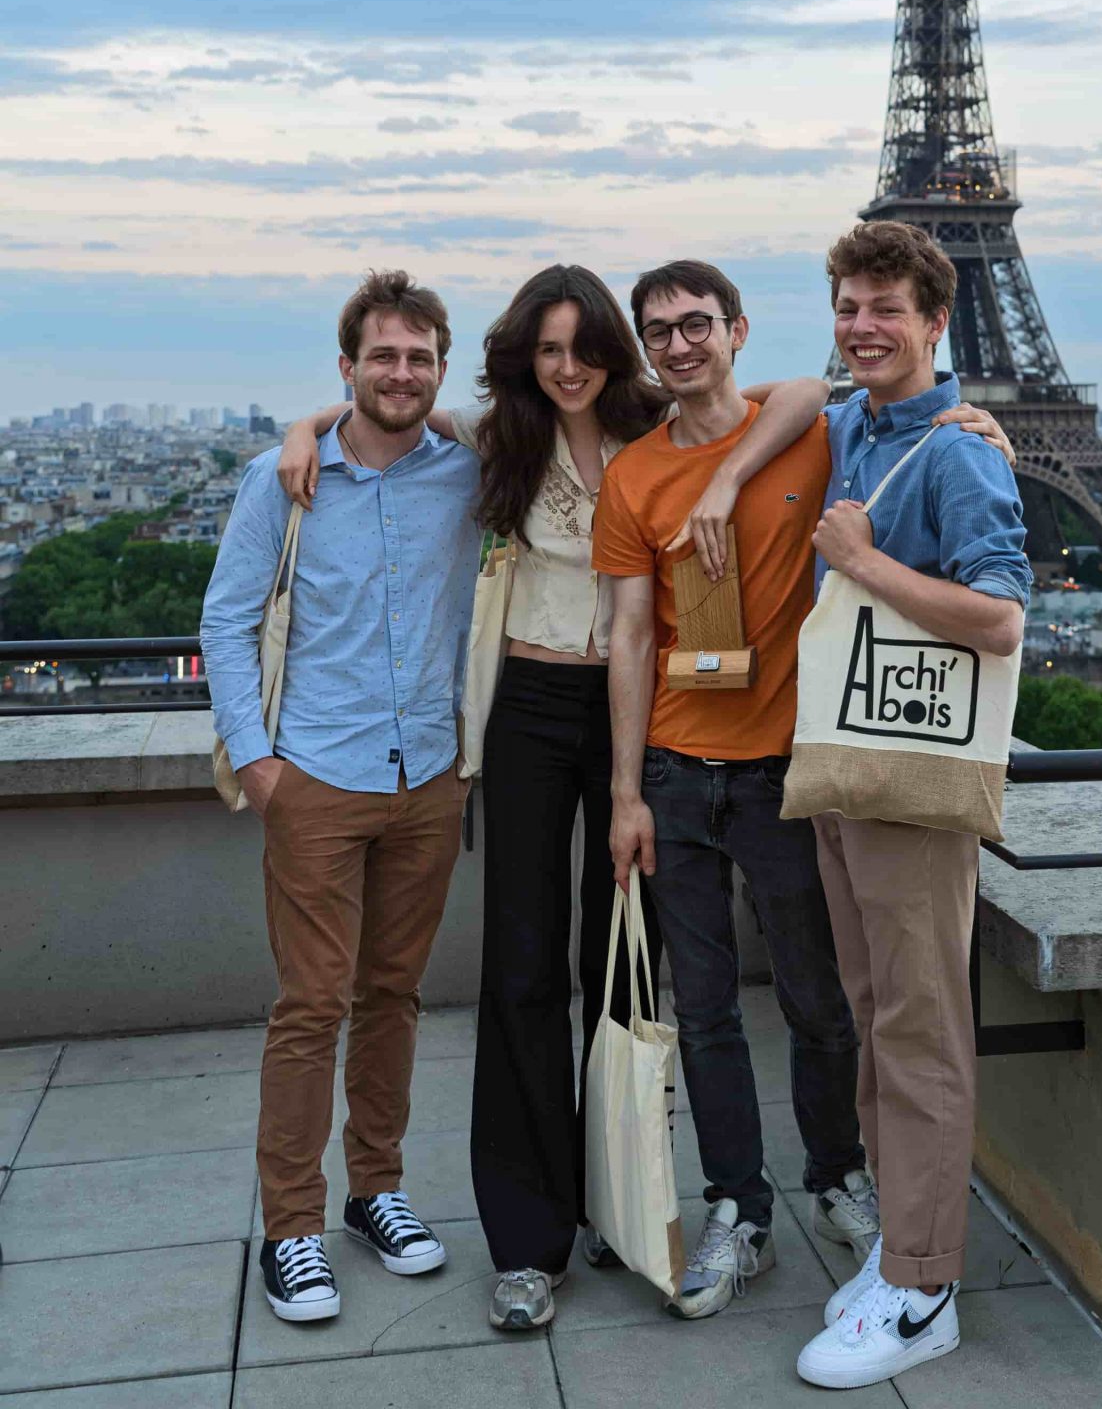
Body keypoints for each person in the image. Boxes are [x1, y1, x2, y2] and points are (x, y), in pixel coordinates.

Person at [276, 263, 832, 1332]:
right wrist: (305, 425)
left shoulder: (661, 428)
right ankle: (528, 1237)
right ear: (523, 356)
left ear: (617, 351)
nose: (566, 366)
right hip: (527, 705)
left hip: (639, 710)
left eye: (584, 345)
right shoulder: (500, 437)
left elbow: (804, 394)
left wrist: (727, 481)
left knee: (618, 963)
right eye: (547, 347)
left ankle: (616, 1200)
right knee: (524, 970)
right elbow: (379, 399)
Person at [594, 259, 1015, 1323]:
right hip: (678, 775)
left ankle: (840, 1176)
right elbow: (631, 635)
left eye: (698, 324)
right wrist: (625, 790)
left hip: (794, 766)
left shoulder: (817, 433)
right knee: (710, 1012)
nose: (679, 344)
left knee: (831, 1006)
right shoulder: (637, 473)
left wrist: (965, 427)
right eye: (659, 331)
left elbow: (848, 405)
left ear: (736, 330)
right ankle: (742, 1205)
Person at [201, 270, 483, 1325]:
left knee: (393, 998)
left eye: (418, 357)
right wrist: (257, 760)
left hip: (428, 775)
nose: (400, 372)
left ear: (439, 370)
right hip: (315, 772)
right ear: (347, 365)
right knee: (311, 1006)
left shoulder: (464, 474)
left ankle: (377, 1188)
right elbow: (226, 620)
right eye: (382, 355)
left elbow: (561, 420)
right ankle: (291, 1227)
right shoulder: (279, 480)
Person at [793, 222, 1031, 1391]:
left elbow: (1000, 619)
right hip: (847, 765)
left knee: (917, 1027)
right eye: (846, 304)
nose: (862, 324)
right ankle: (900, 1246)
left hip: (913, 784)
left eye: (885, 305)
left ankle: (924, 1284)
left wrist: (862, 562)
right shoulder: (844, 425)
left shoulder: (955, 450)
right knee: (874, 1011)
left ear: (937, 318)